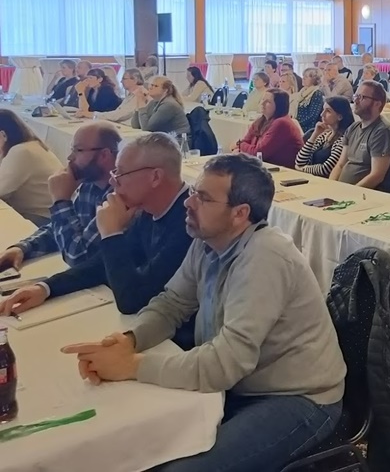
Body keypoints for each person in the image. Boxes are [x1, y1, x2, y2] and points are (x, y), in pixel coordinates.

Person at [62, 154, 346, 472]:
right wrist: (130, 340)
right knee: (139, 445)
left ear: (240, 214)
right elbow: (172, 304)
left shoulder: (265, 258)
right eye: (194, 192)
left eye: (204, 198)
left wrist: (132, 365)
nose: (188, 202)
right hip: (241, 384)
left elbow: (225, 363)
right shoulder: (208, 241)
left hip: (298, 398)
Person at [0, 132, 192, 317]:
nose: (113, 182)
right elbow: (98, 266)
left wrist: (111, 234)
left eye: (121, 173)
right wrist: (45, 288)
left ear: (155, 177)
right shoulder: (147, 210)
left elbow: (132, 300)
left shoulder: (189, 225)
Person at [0, 122, 119, 271]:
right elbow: (61, 229)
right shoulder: (89, 185)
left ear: (104, 155)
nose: (70, 157)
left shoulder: (118, 196)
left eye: (78, 150)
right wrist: (23, 248)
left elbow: (79, 258)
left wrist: (61, 200)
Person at [331, 80, 390, 193]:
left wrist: (349, 193)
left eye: (362, 97)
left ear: (377, 104)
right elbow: (340, 165)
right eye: (356, 96)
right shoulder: (353, 128)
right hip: (344, 192)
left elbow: (376, 176)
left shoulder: (383, 131)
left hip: (367, 195)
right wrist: (331, 187)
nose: (355, 100)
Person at [0, 109, 63, 221]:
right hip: (44, 214)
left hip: (43, 218)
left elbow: (1, 190)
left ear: (3, 135)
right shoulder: (29, 145)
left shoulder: (21, 152)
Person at [234, 89, 303, 168]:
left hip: (283, 170)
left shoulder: (282, 123)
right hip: (265, 166)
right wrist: (242, 145)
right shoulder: (261, 120)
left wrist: (240, 145)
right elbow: (246, 141)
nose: (262, 103)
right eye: (263, 99)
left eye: (268, 102)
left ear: (278, 106)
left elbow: (258, 153)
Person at [295, 96, 354, 178]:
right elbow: (300, 161)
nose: (322, 114)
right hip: (311, 178)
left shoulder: (343, 139)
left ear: (340, 116)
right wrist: (315, 135)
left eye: (328, 111)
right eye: (323, 110)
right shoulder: (324, 135)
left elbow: (326, 168)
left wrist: (302, 169)